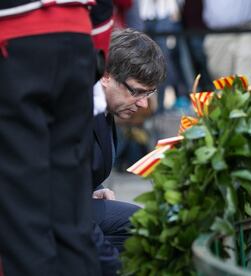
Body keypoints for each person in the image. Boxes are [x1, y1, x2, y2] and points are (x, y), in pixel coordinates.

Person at [0, 1, 101, 275]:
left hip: (13, 34)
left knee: (23, 216)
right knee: (72, 214)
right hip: (78, 32)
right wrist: (98, 44)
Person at [91, 28, 166, 253]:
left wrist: (92, 186)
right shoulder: (77, 111)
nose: (143, 104)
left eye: (149, 94)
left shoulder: (103, 107)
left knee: (142, 225)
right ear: (106, 76)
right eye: (137, 92)